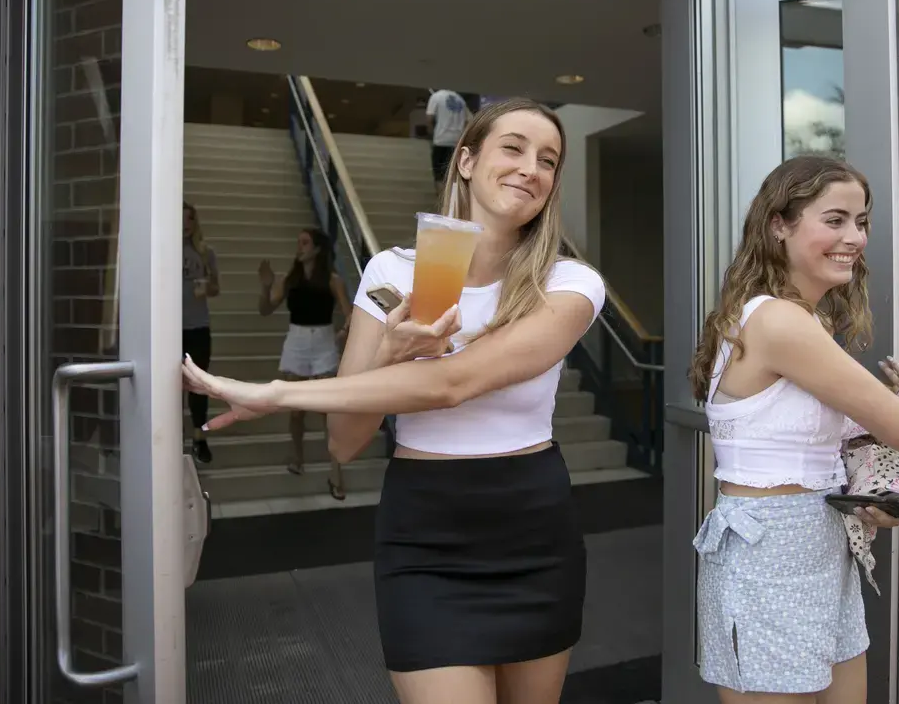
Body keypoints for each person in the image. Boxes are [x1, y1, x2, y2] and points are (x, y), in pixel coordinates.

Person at [183, 98, 605, 704]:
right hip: (426, 531)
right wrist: (392, 356)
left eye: (548, 160)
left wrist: (279, 393)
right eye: (512, 147)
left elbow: (455, 382)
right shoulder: (391, 273)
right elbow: (345, 442)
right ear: (465, 160)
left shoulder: (568, 283)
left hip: (533, 525)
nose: (530, 168)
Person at [688, 155, 899, 703]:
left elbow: (807, 447)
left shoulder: (805, 320)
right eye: (835, 219)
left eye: (861, 221)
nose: (854, 237)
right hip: (770, 556)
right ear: (780, 225)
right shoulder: (780, 321)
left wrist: (867, 500)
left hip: (822, 544)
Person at [257, 228, 353, 498]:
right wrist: (265, 286)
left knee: (327, 411)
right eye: (298, 242)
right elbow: (265, 310)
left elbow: (350, 314)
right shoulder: (290, 279)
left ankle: (336, 474)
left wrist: (342, 334)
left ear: (318, 249)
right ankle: (297, 455)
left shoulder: (333, 280)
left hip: (323, 342)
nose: (299, 247)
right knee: (296, 409)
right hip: (297, 342)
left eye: (304, 243)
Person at [182, 202, 219, 464]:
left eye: (190, 219)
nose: (185, 224)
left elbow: (216, 287)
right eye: (181, 219)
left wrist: (207, 288)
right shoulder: (162, 249)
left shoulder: (206, 252)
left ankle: (199, 437)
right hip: (170, 328)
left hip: (198, 326)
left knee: (198, 384)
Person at [426, 88, 471, 184]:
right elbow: (468, 121)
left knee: (438, 173)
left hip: (441, 139)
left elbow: (430, 118)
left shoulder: (436, 96)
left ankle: (439, 196)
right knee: (450, 173)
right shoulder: (460, 99)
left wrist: (431, 134)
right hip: (456, 141)